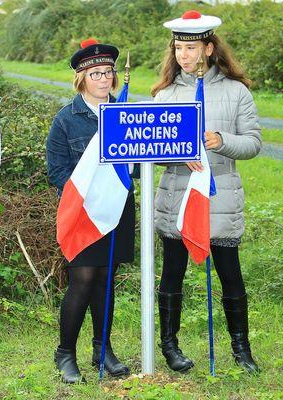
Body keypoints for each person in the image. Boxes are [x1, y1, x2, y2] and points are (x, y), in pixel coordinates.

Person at [152, 10, 261, 374]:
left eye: (191, 47)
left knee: (231, 275)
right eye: (178, 48)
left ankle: (241, 351)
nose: (184, 55)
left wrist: (222, 141)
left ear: (209, 48)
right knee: (172, 274)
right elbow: (150, 150)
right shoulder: (164, 94)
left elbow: (253, 143)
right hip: (177, 197)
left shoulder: (236, 92)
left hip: (221, 198)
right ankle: (170, 347)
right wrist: (178, 153)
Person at [46, 39, 135, 383]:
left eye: (108, 72)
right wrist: (87, 197)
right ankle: (65, 353)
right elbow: (57, 170)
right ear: (81, 78)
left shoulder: (127, 112)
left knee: (105, 280)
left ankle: (103, 349)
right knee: (82, 279)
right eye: (95, 73)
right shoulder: (67, 119)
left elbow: (140, 160)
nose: (103, 79)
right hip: (83, 211)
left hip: (118, 208)